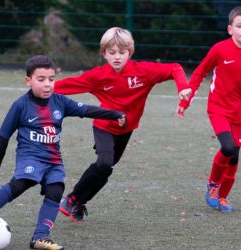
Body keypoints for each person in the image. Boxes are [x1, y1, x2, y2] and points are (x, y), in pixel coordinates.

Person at [0, 55, 126, 250]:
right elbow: (4, 135)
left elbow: (87, 110)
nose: (47, 85)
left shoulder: (60, 102)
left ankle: (40, 237)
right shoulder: (20, 105)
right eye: (41, 79)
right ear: (28, 81)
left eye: (51, 79)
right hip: (30, 157)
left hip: (54, 161)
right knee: (20, 184)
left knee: (55, 191)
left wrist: (115, 114)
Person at [54, 27, 192, 222]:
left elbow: (174, 68)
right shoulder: (98, 76)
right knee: (104, 163)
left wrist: (183, 87)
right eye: (111, 53)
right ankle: (72, 198)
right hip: (103, 126)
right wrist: (44, 87)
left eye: (122, 52)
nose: (117, 57)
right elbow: (68, 84)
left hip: (126, 129)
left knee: (106, 169)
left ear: (130, 52)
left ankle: (80, 203)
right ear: (104, 53)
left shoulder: (144, 72)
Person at [177, 6, 241, 212]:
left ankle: (224, 197)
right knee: (227, 147)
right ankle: (212, 184)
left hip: (239, 112)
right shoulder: (220, 49)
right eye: (239, 26)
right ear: (230, 29)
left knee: (234, 156)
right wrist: (185, 100)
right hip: (217, 107)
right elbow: (200, 72)